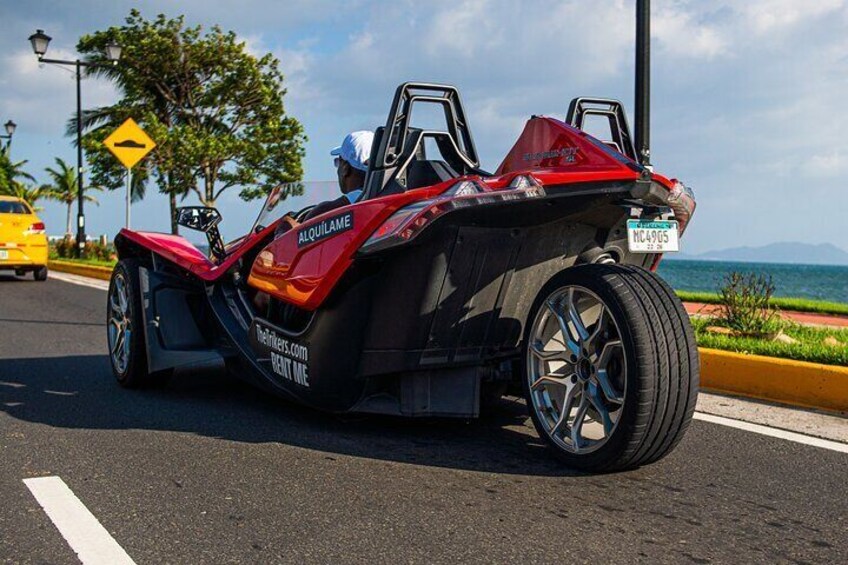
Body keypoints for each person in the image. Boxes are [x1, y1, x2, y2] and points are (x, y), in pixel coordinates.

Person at [303, 130, 374, 221]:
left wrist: (287, 224)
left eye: (338, 162)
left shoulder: (325, 211)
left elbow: (297, 234)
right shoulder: (385, 203)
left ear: (345, 168)